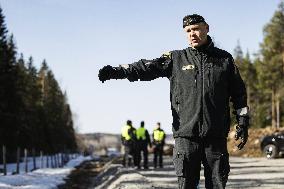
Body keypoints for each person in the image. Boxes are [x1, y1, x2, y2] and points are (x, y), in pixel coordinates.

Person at [99, 14, 249, 189]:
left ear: (206, 28)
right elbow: (146, 67)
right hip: (185, 138)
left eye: (196, 29)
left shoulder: (225, 60)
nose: (192, 34)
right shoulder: (176, 59)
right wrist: (117, 72)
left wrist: (243, 123)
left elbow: (239, 95)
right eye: (188, 31)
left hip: (215, 137)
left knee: (217, 185)